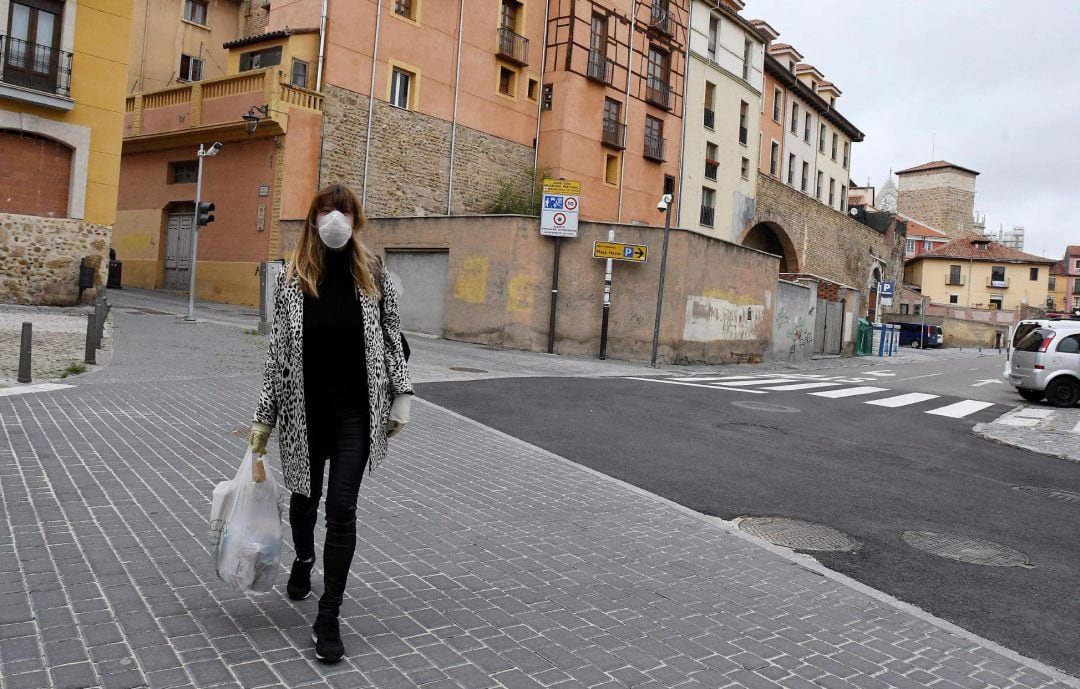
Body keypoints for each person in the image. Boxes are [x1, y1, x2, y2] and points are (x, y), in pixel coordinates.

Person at [249, 183, 412, 662]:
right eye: (325, 210)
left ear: (356, 219)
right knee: (305, 501)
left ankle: (329, 614)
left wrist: (402, 395)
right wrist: (263, 419)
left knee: (341, 508)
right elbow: (277, 354)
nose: (334, 218)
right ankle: (303, 558)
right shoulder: (292, 278)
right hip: (304, 414)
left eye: (343, 211)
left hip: (355, 413)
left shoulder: (374, 275)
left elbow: (392, 338)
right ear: (312, 219)